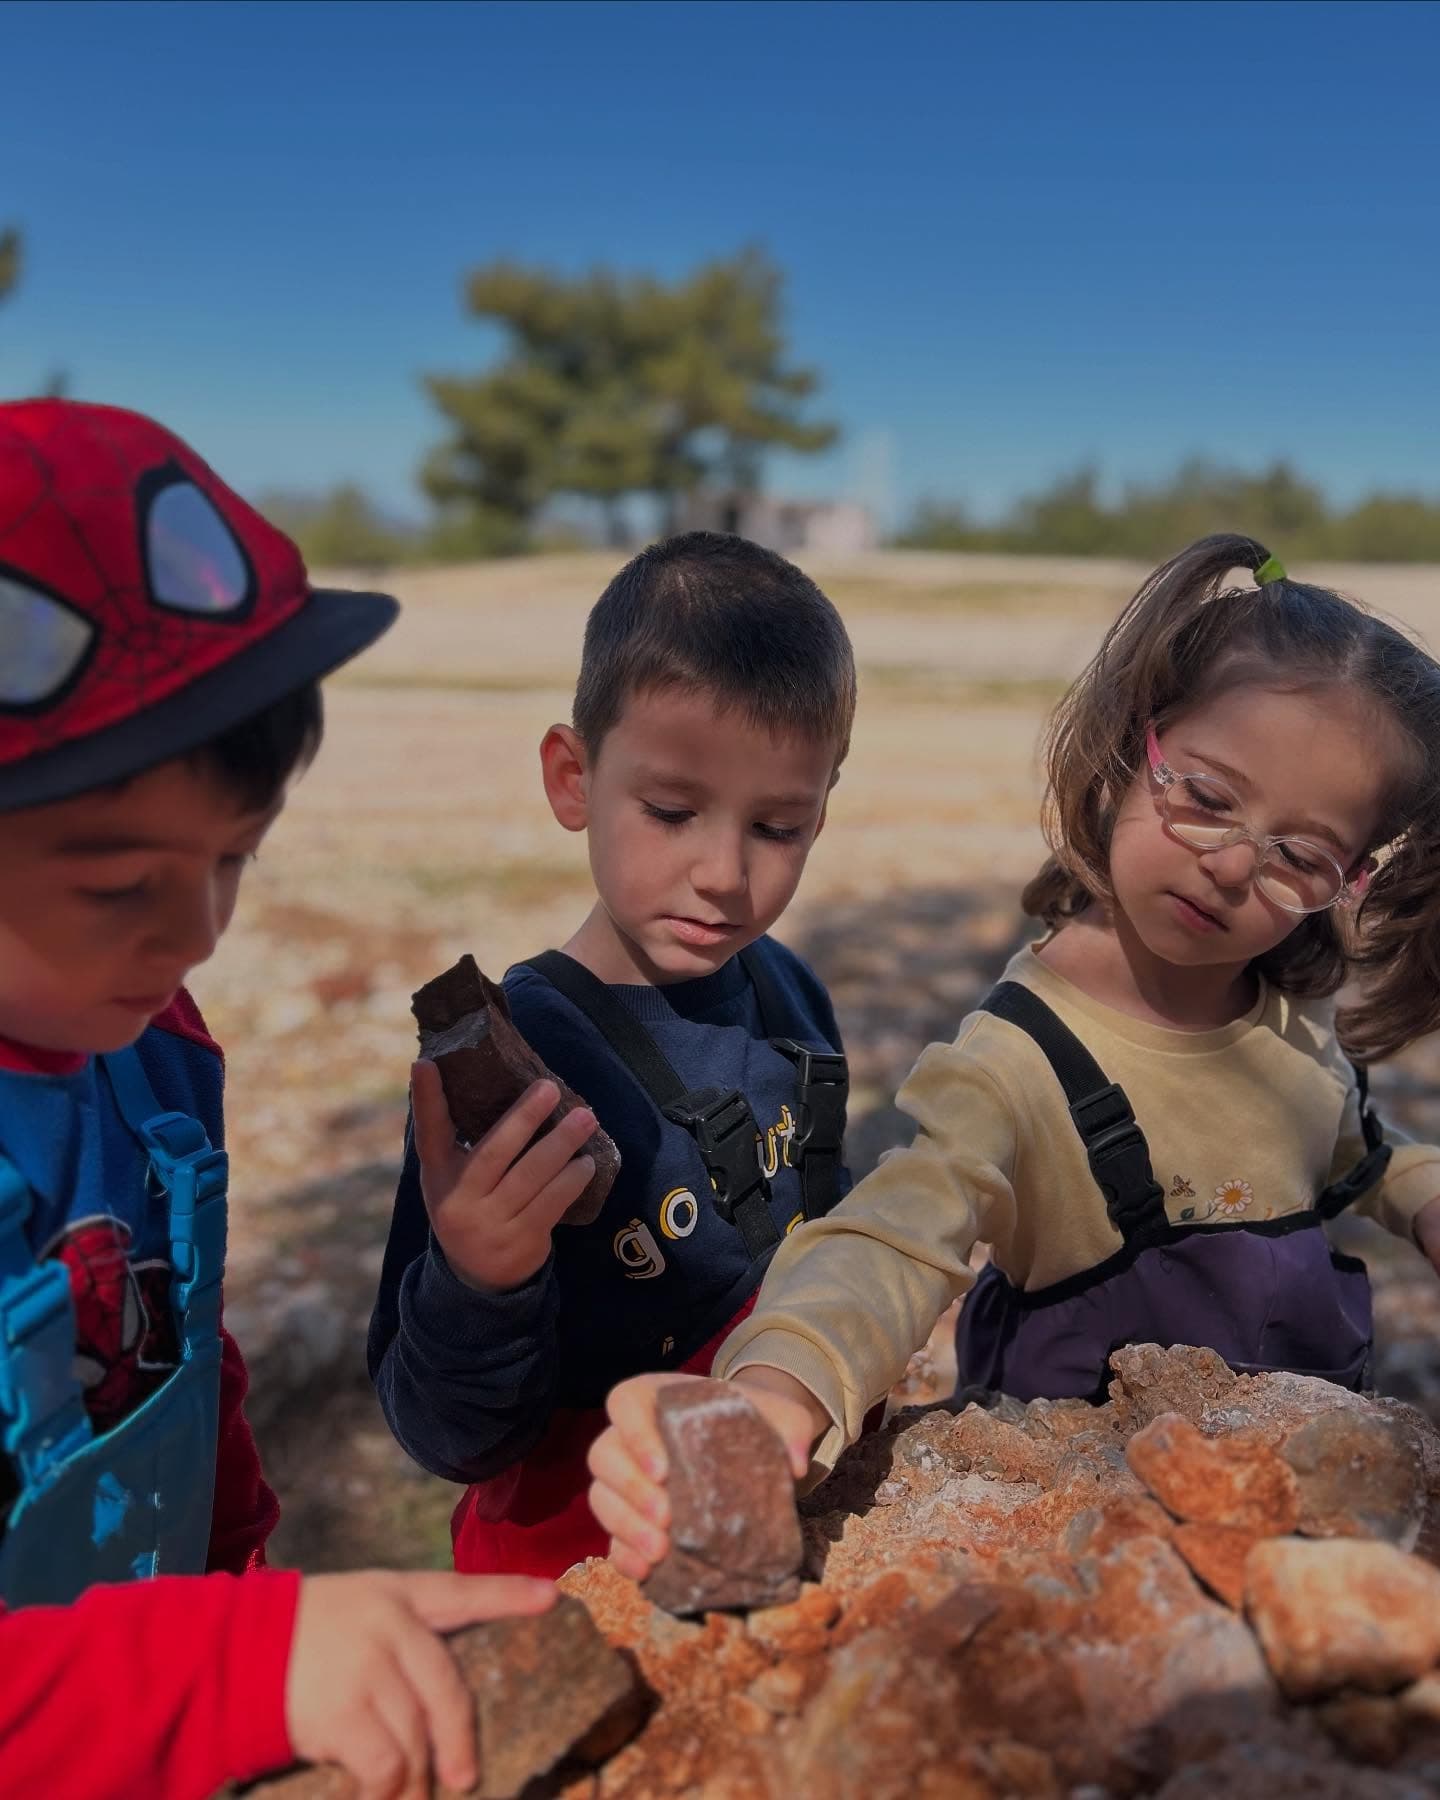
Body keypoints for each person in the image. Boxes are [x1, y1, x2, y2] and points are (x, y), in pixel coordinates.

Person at [585, 532, 1440, 1581]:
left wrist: (1424, 1197)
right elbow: (892, 1241)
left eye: (1299, 856)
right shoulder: (1018, 1061)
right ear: (1131, 747)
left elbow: (1356, 1145)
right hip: (1099, 1539)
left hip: (1296, 1521)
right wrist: (776, 1396)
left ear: (1352, 879)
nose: (1231, 865)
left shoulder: (1286, 1021)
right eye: (1208, 799)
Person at [0, 399, 553, 1800]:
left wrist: (245, 1578)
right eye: (117, 883)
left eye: (234, 859)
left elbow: (176, 1347)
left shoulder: (154, 1050)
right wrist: (232, 1668)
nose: (195, 934)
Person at [369, 531, 857, 1577]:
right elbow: (445, 1433)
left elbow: (829, 1226)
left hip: (766, 1506)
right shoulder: (520, 1064)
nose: (723, 874)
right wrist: (481, 1276)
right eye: (672, 812)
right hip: (575, 1563)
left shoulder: (792, 994)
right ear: (573, 778)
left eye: (778, 827)